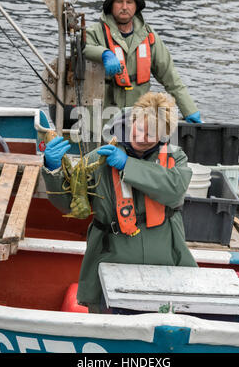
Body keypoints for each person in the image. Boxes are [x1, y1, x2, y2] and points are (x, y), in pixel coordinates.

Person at [42, 92, 197, 314]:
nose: (143, 137)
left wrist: (128, 165)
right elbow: (69, 203)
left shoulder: (175, 158)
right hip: (112, 252)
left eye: (152, 134)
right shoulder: (99, 158)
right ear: (132, 121)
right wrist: (53, 169)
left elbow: (175, 191)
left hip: (166, 255)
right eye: (140, 128)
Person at [83, 0, 202, 124]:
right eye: (119, 2)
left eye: (129, 2)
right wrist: (103, 54)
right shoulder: (95, 31)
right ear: (111, 6)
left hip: (138, 119)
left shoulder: (149, 35)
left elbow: (171, 77)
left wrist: (189, 109)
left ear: (136, 7)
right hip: (101, 118)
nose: (124, 7)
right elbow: (83, 48)